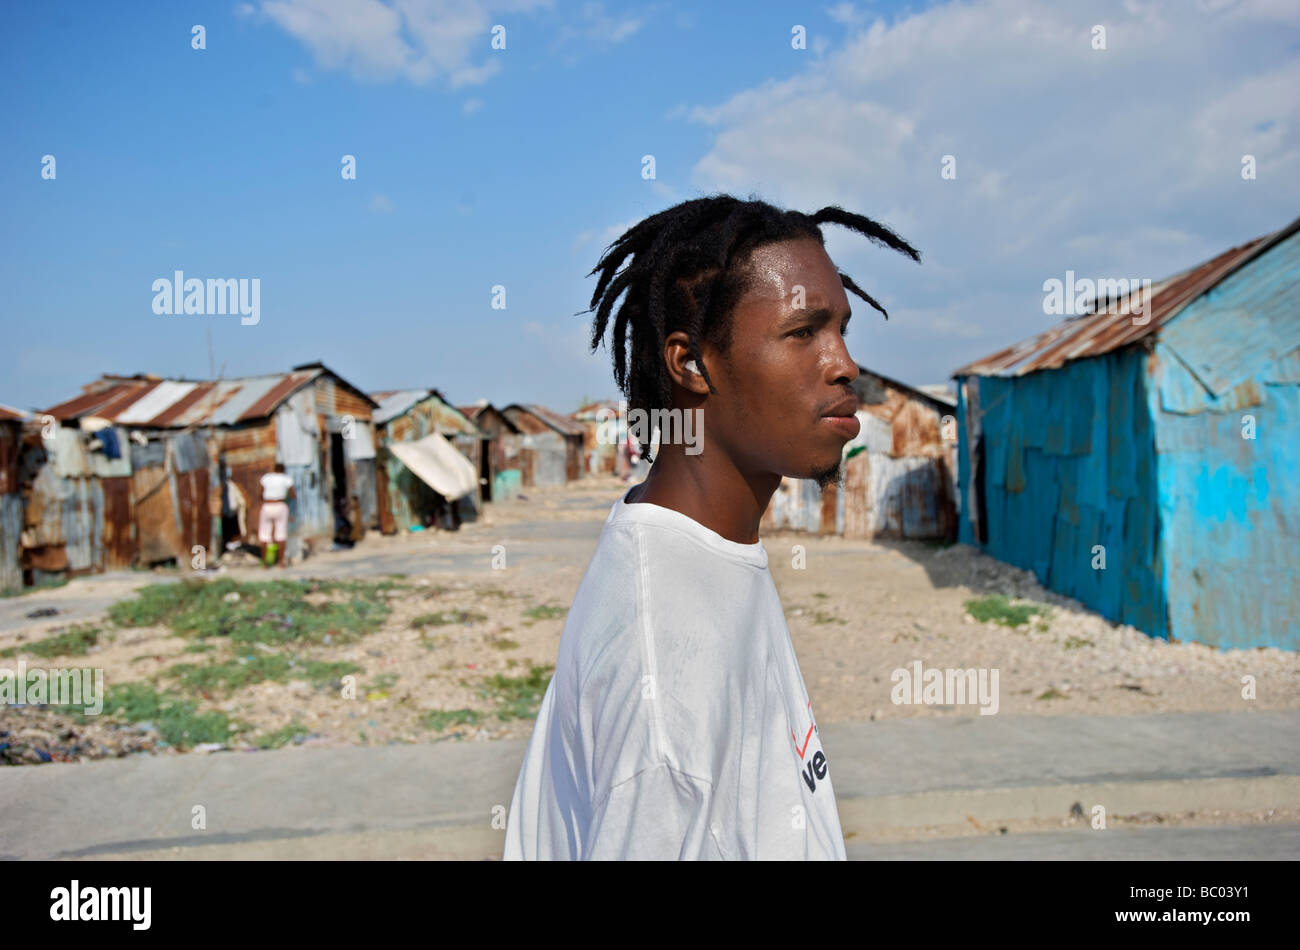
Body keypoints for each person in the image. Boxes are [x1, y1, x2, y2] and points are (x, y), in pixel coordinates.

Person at [502, 194, 920, 860]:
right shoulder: (666, 676)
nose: (846, 365)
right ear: (691, 363)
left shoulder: (701, 550)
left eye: (841, 329)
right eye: (803, 332)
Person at [258, 463, 295, 568]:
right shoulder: (286, 479)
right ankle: (281, 563)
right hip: (280, 505)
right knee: (281, 534)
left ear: (274, 469)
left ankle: (264, 564)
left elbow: (260, 493)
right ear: (283, 470)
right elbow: (293, 494)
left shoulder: (266, 478)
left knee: (264, 535)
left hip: (267, 505)